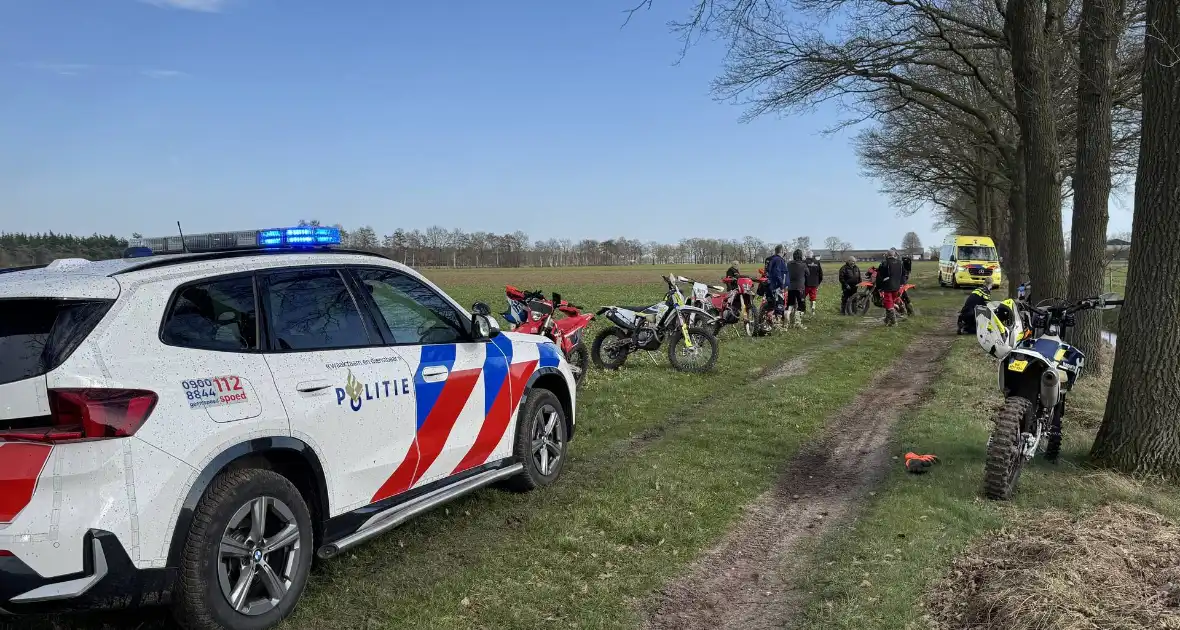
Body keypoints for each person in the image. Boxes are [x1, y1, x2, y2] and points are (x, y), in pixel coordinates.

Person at [875, 249, 905, 326]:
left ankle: (894, 322)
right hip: (897, 286)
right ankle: (887, 320)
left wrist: (879, 287)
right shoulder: (900, 263)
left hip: (887, 286)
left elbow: (879, 276)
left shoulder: (884, 263)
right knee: (893, 301)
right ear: (894, 255)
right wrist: (901, 284)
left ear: (887, 255)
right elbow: (903, 274)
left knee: (888, 303)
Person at [786, 249, 809, 329]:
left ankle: (786, 323)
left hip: (790, 287)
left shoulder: (788, 264)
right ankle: (797, 322)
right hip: (800, 288)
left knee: (790, 305)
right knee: (801, 306)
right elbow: (807, 274)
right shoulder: (803, 264)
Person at [765, 246, 788, 325]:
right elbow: (778, 273)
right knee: (779, 305)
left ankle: (768, 321)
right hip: (776, 286)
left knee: (770, 305)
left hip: (769, 285)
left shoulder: (769, 259)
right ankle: (777, 324)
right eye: (784, 251)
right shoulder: (779, 260)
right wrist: (782, 285)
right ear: (781, 251)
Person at [804, 250, 824, 315]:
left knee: (802, 297)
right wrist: (818, 283)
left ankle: (802, 309)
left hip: (805, 284)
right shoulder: (817, 262)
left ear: (806, 255)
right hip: (814, 284)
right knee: (813, 297)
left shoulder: (804, 262)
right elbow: (821, 274)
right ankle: (813, 311)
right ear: (812, 255)